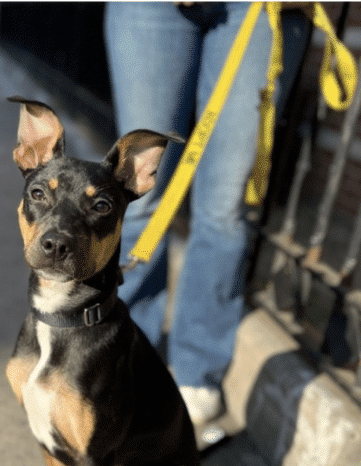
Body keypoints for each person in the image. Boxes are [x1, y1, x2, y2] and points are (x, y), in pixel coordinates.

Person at [104, 3, 275, 433]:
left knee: (225, 207)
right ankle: (122, 356)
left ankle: (196, 370)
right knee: (140, 195)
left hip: (256, 9)